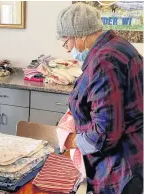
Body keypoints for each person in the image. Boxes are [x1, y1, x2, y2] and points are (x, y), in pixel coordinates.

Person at [56, 2, 143, 194]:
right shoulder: (118, 44)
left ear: (80, 35)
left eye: (66, 42)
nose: (67, 49)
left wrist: (74, 140)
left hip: (118, 168)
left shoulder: (103, 61)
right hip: (131, 158)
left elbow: (105, 134)